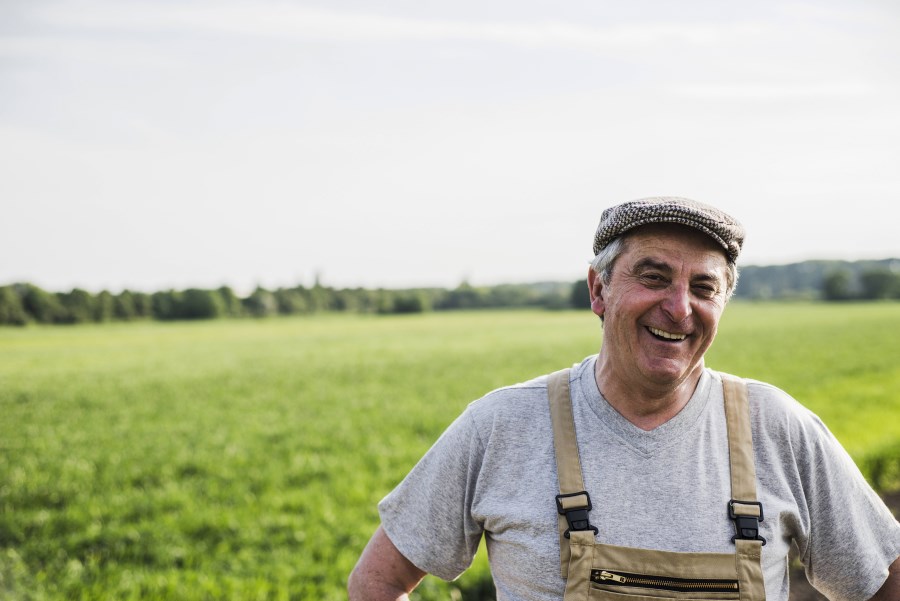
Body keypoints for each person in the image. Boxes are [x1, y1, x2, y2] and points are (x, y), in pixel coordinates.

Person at [348, 197, 900, 601]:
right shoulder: (503, 425)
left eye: (704, 287)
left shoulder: (778, 428)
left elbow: (884, 581)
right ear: (598, 290)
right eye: (654, 277)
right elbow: (377, 582)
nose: (680, 308)